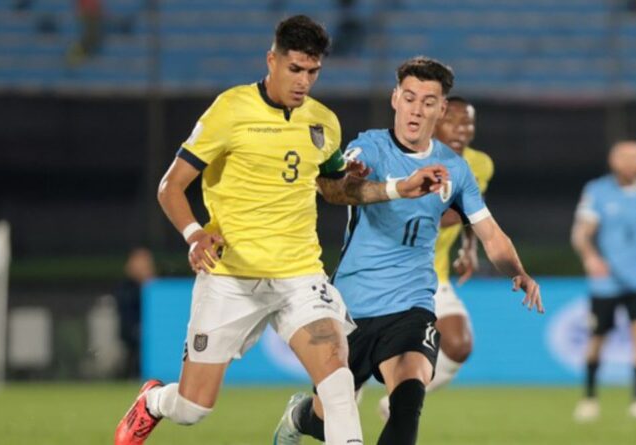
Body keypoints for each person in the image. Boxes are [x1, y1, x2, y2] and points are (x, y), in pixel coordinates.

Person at [113, 16, 446, 445]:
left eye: (313, 72)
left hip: (299, 276)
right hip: (230, 275)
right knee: (193, 407)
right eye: (295, 69)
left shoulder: (324, 122)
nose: (304, 81)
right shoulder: (230, 110)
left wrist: (354, 178)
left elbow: (332, 188)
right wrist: (195, 234)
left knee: (338, 378)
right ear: (272, 60)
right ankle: (155, 402)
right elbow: (170, 186)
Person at [273, 56, 544, 445]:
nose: (417, 109)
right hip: (352, 306)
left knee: (407, 400)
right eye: (410, 97)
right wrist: (365, 180)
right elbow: (338, 188)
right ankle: (301, 416)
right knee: (325, 417)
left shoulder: (456, 169)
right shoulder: (368, 148)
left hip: (413, 304)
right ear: (395, 98)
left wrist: (517, 270)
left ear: (440, 108)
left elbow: (490, 232)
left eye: (428, 101)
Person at [374, 96, 493, 418]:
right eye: (453, 120)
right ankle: (317, 418)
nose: (462, 129)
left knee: (458, 344)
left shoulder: (479, 163)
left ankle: (396, 401)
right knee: (352, 365)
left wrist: (470, 247)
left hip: (431, 274)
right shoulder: (405, 158)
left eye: (468, 122)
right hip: (381, 272)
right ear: (434, 120)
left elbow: (471, 209)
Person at [571, 140, 636, 422]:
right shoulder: (598, 191)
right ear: (613, 161)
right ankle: (589, 398)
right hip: (607, 282)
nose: (631, 163)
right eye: (625, 157)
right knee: (598, 338)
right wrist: (591, 258)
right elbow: (581, 234)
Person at [113, 247, 156, 379]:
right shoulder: (125, 287)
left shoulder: (155, 287)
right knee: (133, 356)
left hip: (152, 332)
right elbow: (125, 307)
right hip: (131, 331)